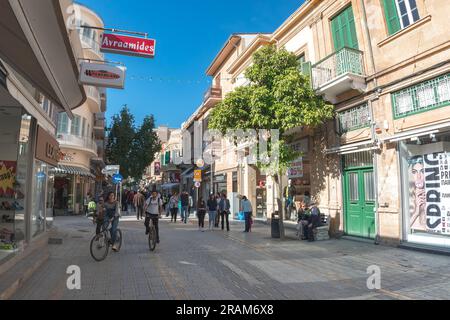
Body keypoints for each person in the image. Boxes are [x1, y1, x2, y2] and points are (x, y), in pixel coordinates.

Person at [409, 156, 426, 231]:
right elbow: (403, 229)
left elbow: (426, 226)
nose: (419, 176)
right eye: (414, 172)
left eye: (422, 171)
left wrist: (424, 208)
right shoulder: (408, 195)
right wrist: (417, 212)